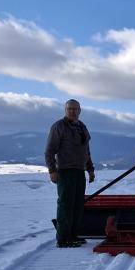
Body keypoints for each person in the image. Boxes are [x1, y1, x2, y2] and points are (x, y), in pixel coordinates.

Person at [45, 99, 95, 247]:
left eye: (75, 109)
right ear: (65, 110)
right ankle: (63, 239)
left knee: (77, 205)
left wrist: (90, 170)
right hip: (65, 171)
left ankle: (73, 235)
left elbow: (86, 151)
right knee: (66, 205)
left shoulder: (82, 127)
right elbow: (49, 151)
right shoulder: (58, 127)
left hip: (79, 171)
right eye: (70, 109)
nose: (73, 111)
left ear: (80, 110)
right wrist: (52, 171)